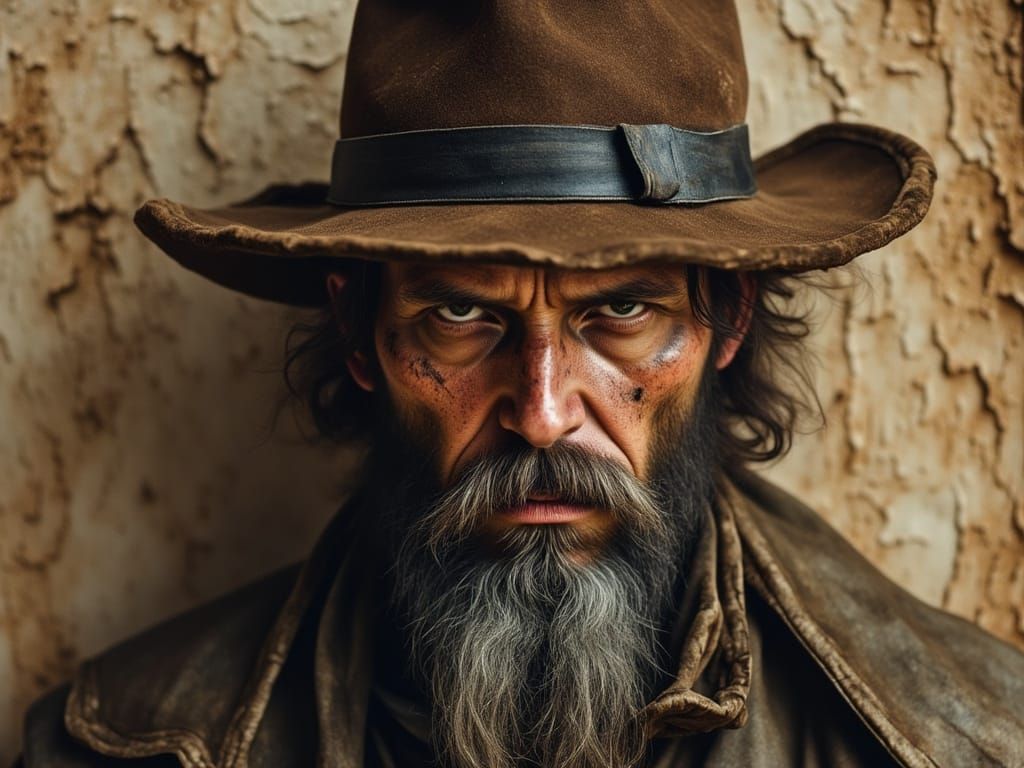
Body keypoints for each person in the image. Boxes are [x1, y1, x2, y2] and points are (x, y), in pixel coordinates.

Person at [17, 0, 1024, 766]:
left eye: (620, 313)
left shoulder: (966, 737)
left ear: (730, 317)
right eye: (461, 317)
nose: (541, 415)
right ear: (358, 332)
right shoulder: (122, 739)